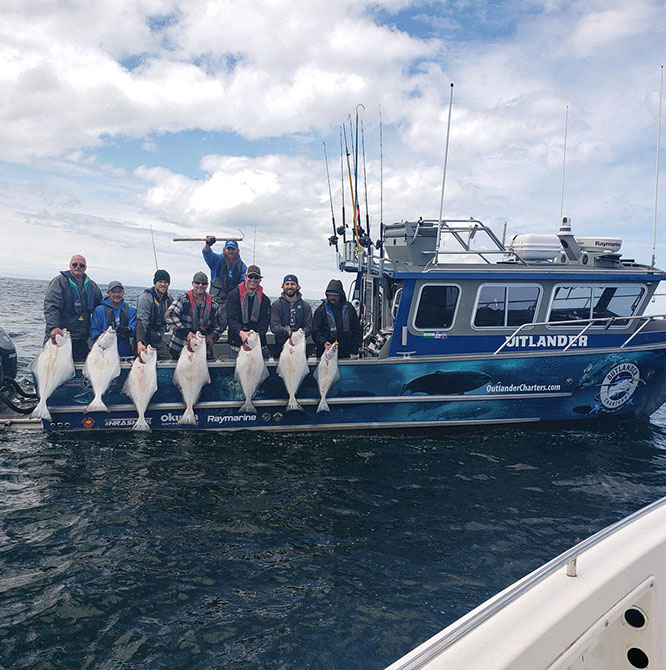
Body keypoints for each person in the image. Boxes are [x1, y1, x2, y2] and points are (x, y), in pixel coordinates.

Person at [43, 254, 103, 361]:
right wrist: (54, 327)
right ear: (70, 266)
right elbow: (52, 306)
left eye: (81, 265)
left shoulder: (92, 286)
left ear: (85, 267)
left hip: (82, 338)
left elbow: (100, 307)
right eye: (75, 264)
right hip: (61, 336)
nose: (78, 267)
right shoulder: (59, 282)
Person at [165, 272, 225, 359]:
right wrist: (186, 333)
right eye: (197, 283)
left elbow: (219, 327)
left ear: (207, 285)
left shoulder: (214, 306)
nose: (200, 285)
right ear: (193, 283)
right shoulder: (182, 300)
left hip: (202, 351)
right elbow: (169, 315)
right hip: (179, 349)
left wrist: (210, 338)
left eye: (203, 283)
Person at [226, 265, 271, 359]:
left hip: (258, 344)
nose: (253, 280)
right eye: (250, 277)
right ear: (245, 277)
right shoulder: (233, 296)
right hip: (237, 345)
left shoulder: (265, 300)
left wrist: (255, 336)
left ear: (260, 279)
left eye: (256, 277)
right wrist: (241, 332)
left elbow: (264, 322)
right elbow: (231, 319)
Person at [312, 279, 362, 359]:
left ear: (340, 295)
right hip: (326, 353)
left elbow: (356, 329)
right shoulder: (321, 310)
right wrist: (323, 342)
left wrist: (354, 348)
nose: (331, 297)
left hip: (345, 352)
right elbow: (315, 331)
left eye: (335, 295)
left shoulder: (349, 308)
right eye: (329, 295)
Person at [270, 274, 313, 357]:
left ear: (298, 287)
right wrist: (286, 330)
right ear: (283, 286)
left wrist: (300, 333)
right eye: (287, 284)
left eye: (292, 284)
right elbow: (274, 326)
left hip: (300, 348)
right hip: (281, 348)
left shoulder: (306, 306)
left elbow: (309, 327)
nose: (289, 287)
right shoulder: (276, 305)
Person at [90, 281, 137, 356]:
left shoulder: (131, 310)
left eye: (119, 292)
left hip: (124, 353)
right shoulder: (99, 310)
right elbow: (94, 331)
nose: (117, 294)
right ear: (108, 293)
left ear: (123, 293)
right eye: (114, 292)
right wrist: (102, 338)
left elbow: (134, 329)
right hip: (104, 353)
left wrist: (128, 330)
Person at [202, 237, 247, 313]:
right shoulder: (216, 260)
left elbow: (243, 285)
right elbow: (207, 253)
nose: (230, 251)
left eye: (233, 249)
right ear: (224, 249)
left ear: (238, 250)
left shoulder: (243, 267)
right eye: (228, 249)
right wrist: (208, 244)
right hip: (215, 301)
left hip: (232, 303)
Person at [136, 269, 173, 360]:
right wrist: (140, 342)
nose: (163, 284)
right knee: (143, 361)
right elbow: (141, 321)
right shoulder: (145, 298)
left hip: (158, 338)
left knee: (168, 360)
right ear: (155, 283)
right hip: (144, 337)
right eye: (160, 282)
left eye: (165, 282)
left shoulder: (169, 299)